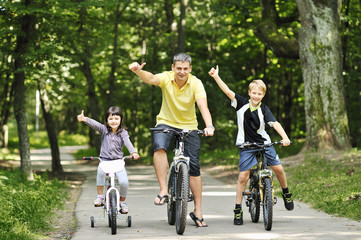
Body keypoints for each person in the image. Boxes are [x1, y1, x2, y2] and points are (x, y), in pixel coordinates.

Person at [129, 53, 215, 227]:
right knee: (159, 147)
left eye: (185, 69)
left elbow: (202, 106)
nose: (182, 72)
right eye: (178, 68)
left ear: (190, 69)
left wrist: (209, 126)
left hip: (189, 125)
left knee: (195, 167)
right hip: (165, 122)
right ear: (173, 68)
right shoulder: (166, 78)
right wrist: (138, 71)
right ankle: (163, 190)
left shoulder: (196, 83)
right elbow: (151, 78)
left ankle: (198, 211)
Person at [208, 65, 294, 225]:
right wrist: (216, 77)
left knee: (279, 169)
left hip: (264, 144)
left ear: (263, 95)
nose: (256, 96)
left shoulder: (264, 109)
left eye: (259, 94)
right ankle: (238, 209)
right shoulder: (241, 103)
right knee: (243, 177)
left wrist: (285, 137)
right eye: (253, 93)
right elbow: (227, 91)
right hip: (246, 145)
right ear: (249, 93)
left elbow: (275, 124)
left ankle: (286, 193)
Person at [77, 106, 140, 214]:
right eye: (111, 119)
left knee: (124, 182)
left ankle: (122, 202)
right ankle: (100, 196)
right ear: (107, 120)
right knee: (100, 173)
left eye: (116, 119)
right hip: (105, 161)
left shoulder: (123, 132)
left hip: (118, 161)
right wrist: (85, 119)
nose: (113, 121)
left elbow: (128, 142)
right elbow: (95, 124)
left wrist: (133, 152)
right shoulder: (104, 130)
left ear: (121, 120)